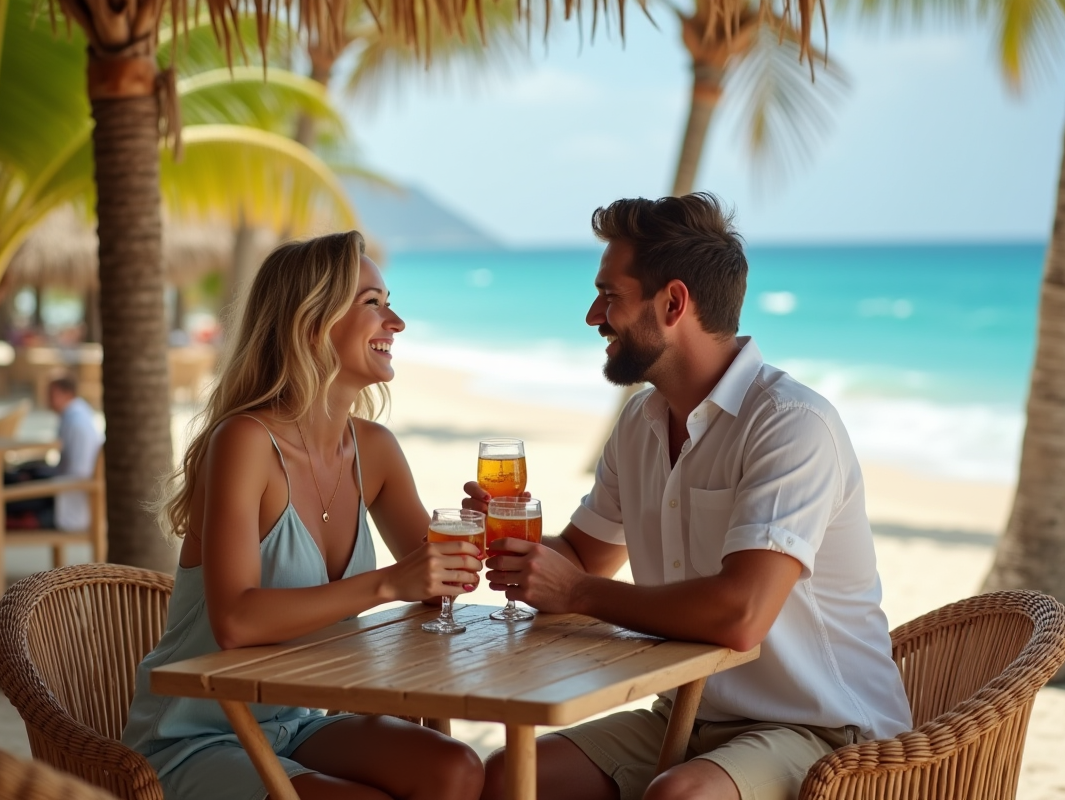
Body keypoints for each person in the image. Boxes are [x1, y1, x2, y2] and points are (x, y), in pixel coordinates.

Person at [470, 194, 912, 800]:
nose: (593, 315)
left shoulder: (790, 424)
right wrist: (513, 543)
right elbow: (582, 556)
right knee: (511, 777)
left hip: (825, 733)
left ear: (673, 302)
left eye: (610, 295)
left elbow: (739, 615)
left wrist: (573, 591)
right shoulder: (641, 423)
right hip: (688, 718)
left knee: (681, 796)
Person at [122, 232, 485, 800]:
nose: (397, 321)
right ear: (313, 321)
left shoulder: (376, 450)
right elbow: (236, 622)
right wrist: (391, 581)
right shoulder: (246, 441)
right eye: (373, 303)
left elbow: (436, 590)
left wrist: (466, 543)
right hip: (195, 734)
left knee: (457, 769)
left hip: (297, 720)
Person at [0, 376, 102, 530]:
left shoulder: (77, 424)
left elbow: (79, 473)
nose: (46, 398)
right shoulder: (76, 416)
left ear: (68, 394)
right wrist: (36, 473)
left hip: (62, 501)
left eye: (52, 394)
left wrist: (40, 479)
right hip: (58, 491)